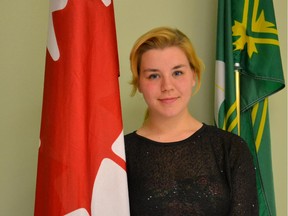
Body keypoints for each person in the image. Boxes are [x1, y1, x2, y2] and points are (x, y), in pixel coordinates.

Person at [124, 26, 258, 216]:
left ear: (194, 75)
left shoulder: (230, 148)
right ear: (139, 84)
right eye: (154, 75)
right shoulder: (119, 156)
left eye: (177, 73)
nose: (167, 86)